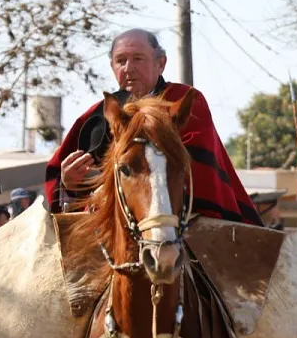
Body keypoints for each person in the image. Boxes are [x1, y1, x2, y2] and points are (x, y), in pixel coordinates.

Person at [45, 28, 260, 225]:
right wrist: (70, 184)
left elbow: (191, 166)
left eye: (138, 59)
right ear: (112, 67)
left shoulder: (184, 101)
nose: (129, 68)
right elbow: (69, 184)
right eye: (121, 61)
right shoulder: (97, 116)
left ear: (161, 63)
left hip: (180, 222)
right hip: (110, 228)